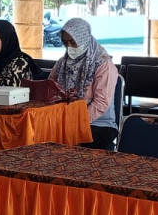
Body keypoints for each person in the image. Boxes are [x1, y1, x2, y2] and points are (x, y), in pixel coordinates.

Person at [50, 18, 118, 150]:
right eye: (65, 42)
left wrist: (75, 122)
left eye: (73, 42)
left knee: (65, 141)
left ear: (83, 39)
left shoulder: (103, 64)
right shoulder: (62, 63)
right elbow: (50, 86)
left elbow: (101, 102)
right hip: (65, 118)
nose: (69, 47)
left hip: (98, 123)